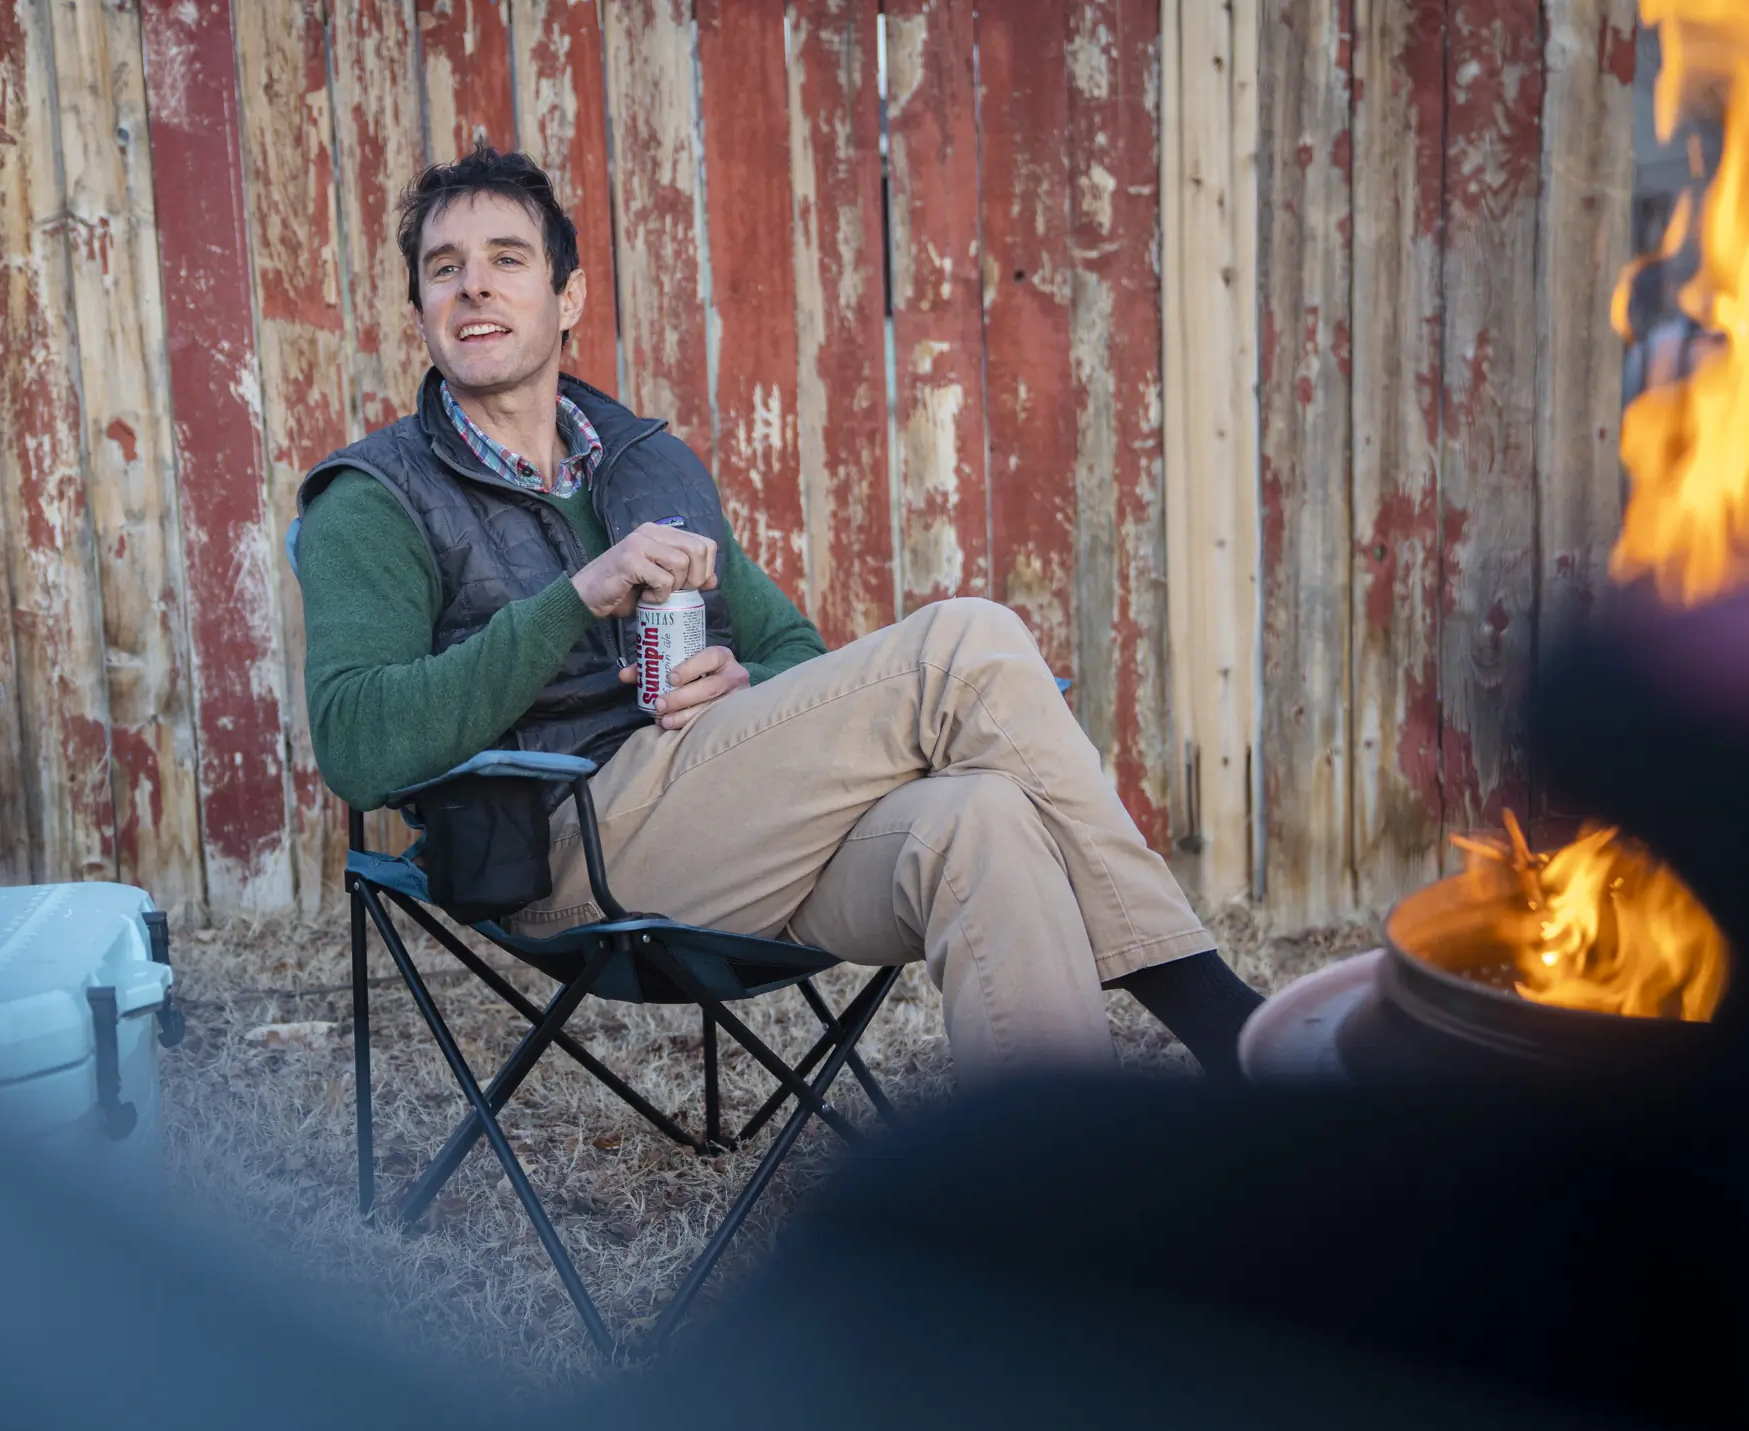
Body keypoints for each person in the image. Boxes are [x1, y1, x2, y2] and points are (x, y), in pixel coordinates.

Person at [296, 147, 1264, 1080]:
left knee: (985, 818)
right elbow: (356, 744)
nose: (473, 287)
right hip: (565, 848)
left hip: (730, 826)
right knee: (965, 641)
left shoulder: (638, 467)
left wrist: (748, 681)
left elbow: (793, 647)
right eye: (444, 269)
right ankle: (1236, 1035)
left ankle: (1066, 1206)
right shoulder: (376, 498)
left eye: (507, 261)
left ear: (568, 298)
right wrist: (577, 597)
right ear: (420, 308)